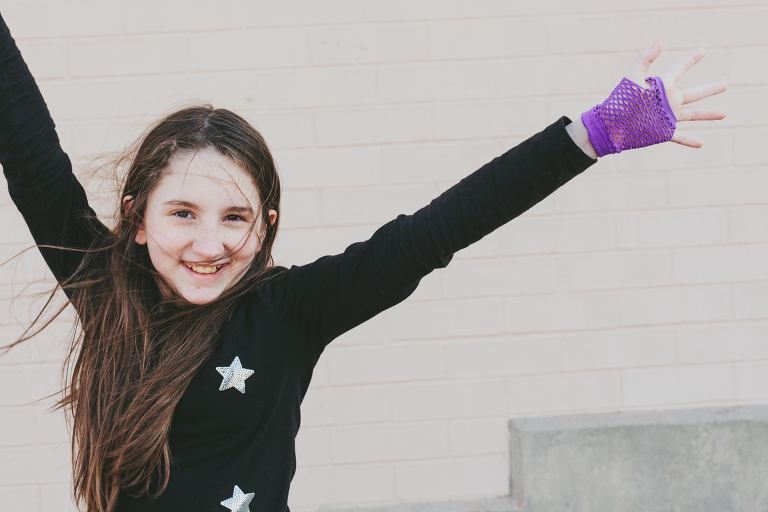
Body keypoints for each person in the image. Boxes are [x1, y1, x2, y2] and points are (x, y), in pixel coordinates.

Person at [0, 11, 727, 512]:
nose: (209, 243)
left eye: (235, 219)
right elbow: (31, 155)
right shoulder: (107, 293)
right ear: (135, 221)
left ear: (266, 228)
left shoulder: (289, 312)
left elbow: (436, 230)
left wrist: (591, 136)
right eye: (182, 214)